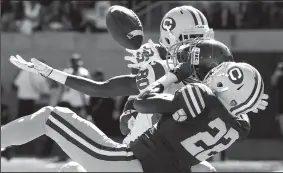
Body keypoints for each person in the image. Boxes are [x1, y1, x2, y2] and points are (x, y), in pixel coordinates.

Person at [2, 59, 267, 172]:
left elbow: (143, 103)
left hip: (128, 163)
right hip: (164, 169)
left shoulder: (201, 97)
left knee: (51, 116)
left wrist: (172, 76)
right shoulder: (238, 126)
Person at [271, 62, 283, 136]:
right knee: (281, 116)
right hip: (281, 101)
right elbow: (273, 82)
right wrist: (278, 70)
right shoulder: (280, 77)